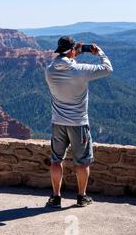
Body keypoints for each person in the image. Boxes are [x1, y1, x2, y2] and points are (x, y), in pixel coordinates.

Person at [45, 36, 113, 208]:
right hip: (79, 124)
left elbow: (63, 61)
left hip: (58, 123)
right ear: (72, 51)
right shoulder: (81, 70)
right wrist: (99, 53)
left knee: (55, 161)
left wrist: (74, 53)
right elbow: (107, 68)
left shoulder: (49, 70)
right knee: (82, 163)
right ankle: (81, 196)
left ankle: (55, 197)